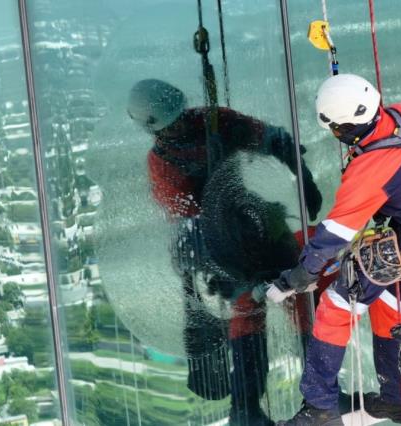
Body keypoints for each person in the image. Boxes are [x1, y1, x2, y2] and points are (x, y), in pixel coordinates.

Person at [268, 73, 401, 425]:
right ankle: (397, 400)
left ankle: (320, 408)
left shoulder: (369, 169)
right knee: (389, 306)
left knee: (335, 307)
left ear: (344, 129)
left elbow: (333, 235)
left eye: (336, 130)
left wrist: (299, 276)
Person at [127, 78, 322, 426]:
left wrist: (302, 175)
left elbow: (272, 139)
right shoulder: (164, 163)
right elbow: (187, 222)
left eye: (181, 116)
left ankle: (318, 394)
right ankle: (247, 410)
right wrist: (221, 269)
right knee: (249, 311)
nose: (181, 124)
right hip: (218, 243)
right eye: (172, 124)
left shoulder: (213, 121)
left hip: (249, 224)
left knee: (298, 300)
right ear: (156, 131)